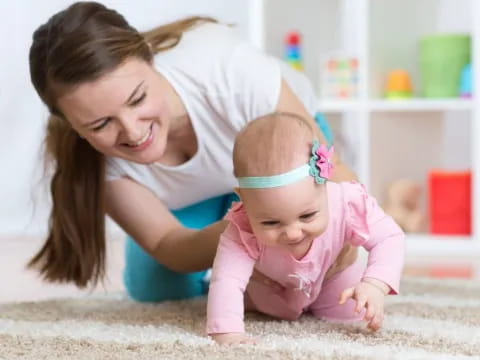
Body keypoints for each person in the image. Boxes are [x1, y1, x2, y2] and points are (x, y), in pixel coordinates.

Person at [28, 1, 358, 302]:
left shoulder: (225, 67)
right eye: (100, 124)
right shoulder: (93, 161)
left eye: (138, 98)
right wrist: (245, 234)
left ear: (151, 59)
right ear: (72, 124)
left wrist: (341, 242)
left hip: (281, 168)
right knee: (159, 290)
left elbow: (335, 173)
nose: (132, 130)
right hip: (199, 200)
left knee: (316, 279)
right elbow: (167, 243)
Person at [206, 112, 405, 345]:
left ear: (324, 184)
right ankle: (251, 301)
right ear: (244, 201)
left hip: (333, 279)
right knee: (243, 299)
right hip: (273, 289)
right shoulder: (242, 228)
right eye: (271, 222)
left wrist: (374, 284)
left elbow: (389, 237)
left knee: (357, 313)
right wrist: (227, 333)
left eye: (307, 215)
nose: (292, 233)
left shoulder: (347, 202)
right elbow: (227, 278)